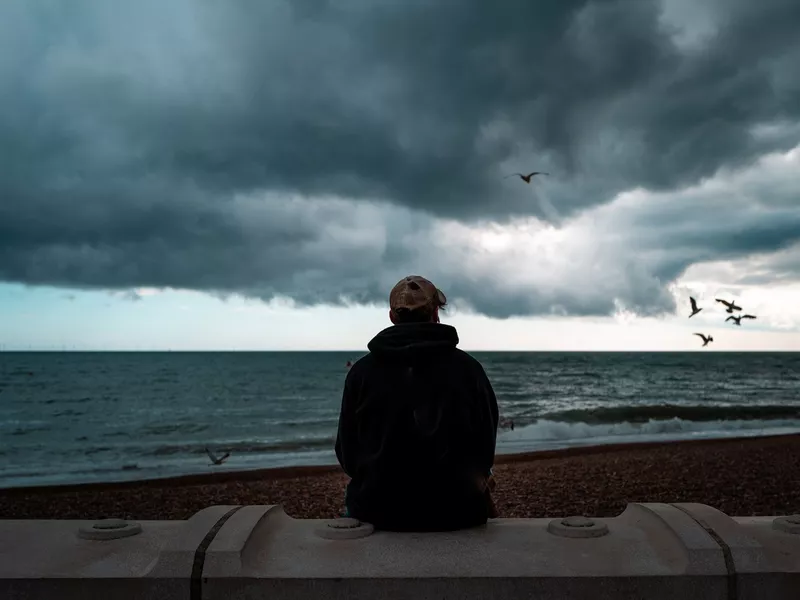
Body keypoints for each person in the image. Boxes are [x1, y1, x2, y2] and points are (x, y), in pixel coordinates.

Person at [335, 275, 499, 531]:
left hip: (377, 511)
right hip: (457, 511)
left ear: (392, 317)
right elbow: (485, 449)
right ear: (436, 313)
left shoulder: (361, 373)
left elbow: (347, 454)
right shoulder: (469, 370)